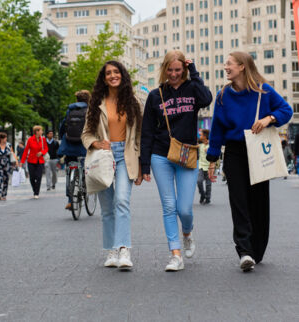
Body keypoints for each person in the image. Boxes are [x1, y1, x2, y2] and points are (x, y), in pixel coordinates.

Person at [207, 52, 293, 272]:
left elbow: (286, 110)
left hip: (258, 150)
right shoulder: (223, 95)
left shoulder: (264, 91)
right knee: (239, 202)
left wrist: (268, 119)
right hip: (234, 152)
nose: (225, 67)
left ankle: (257, 248)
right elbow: (217, 128)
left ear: (242, 66)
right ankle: (244, 251)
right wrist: (212, 158)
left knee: (259, 202)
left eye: (229, 64)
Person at [141, 50, 212, 271]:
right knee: (169, 206)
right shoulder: (155, 95)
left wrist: (194, 71)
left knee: (185, 209)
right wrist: (144, 165)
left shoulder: (192, 89)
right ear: (164, 69)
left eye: (178, 70)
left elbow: (207, 98)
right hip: (160, 155)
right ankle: (175, 254)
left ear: (184, 69)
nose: (173, 74)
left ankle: (187, 233)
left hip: (186, 154)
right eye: (170, 70)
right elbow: (147, 132)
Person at [82, 60, 142, 270]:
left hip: (125, 156)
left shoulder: (133, 102)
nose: (113, 75)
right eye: (109, 73)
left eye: (116, 72)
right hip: (103, 157)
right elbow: (86, 133)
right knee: (107, 208)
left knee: (122, 201)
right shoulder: (96, 103)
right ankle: (111, 250)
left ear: (122, 75)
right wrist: (96, 143)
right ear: (104, 78)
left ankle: (124, 249)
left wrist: (141, 166)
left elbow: (139, 137)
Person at [58, 90, 91, 210]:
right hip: (84, 146)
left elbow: (62, 126)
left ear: (77, 100)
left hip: (69, 145)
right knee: (86, 167)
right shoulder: (90, 111)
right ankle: (85, 185)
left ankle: (70, 200)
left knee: (69, 171)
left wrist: (62, 137)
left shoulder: (70, 110)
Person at [20, 126, 48, 199]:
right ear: (37, 131)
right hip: (31, 161)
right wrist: (22, 161)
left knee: (39, 177)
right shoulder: (30, 140)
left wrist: (41, 152)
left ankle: (36, 192)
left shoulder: (43, 139)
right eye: (41, 130)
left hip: (40, 161)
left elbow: (46, 148)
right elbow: (26, 151)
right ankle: (34, 189)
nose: (42, 132)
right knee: (32, 177)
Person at [0, 132, 17, 201]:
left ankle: (4, 195)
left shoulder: (9, 145)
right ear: (1, 138)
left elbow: (12, 153)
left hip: (7, 165)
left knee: (6, 180)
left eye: (6, 137)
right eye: (4, 138)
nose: (5, 139)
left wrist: (16, 161)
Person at [197, 129, 212, 204]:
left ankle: (208, 198)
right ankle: (202, 194)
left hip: (209, 167)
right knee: (199, 181)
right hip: (201, 166)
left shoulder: (211, 144)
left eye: (201, 135)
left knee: (208, 184)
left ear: (205, 136)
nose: (200, 136)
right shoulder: (200, 144)